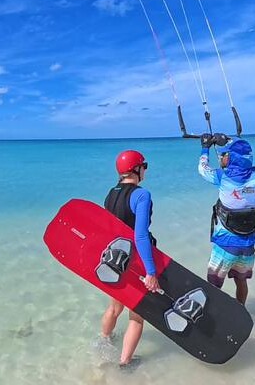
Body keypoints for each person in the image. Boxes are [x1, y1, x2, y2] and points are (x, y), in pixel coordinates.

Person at [98, 149, 160, 368]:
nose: (145, 171)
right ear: (136, 169)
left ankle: (103, 342)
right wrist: (151, 272)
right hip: (137, 261)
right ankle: (125, 363)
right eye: (144, 166)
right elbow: (140, 235)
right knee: (137, 315)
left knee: (114, 308)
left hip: (116, 258)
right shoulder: (141, 195)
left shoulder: (110, 193)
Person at [197, 134, 255, 305]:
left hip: (225, 247)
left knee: (212, 286)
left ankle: (212, 317)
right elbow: (244, 153)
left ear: (232, 158)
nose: (221, 157)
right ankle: (240, 310)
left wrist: (205, 147)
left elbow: (203, 168)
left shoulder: (223, 178)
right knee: (241, 281)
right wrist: (227, 140)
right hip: (248, 248)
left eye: (224, 154)